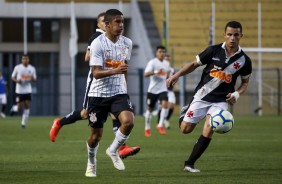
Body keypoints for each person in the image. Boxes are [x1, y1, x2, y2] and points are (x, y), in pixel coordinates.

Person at [49, 12, 140, 159]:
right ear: (100, 25)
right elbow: (86, 57)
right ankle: (59, 122)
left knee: (116, 111)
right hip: (95, 82)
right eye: (103, 22)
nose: (106, 24)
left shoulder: (122, 42)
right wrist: (105, 57)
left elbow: (124, 65)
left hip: (114, 85)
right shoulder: (96, 38)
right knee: (85, 113)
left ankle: (121, 147)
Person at [166, 21, 252, 173]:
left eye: (236, 35)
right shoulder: (213, 50)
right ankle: (186, 110)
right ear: (224, 35)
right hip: (202, 95)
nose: (232, 38)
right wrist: (176, 75)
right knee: (185, 129)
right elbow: (194, 64)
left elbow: (245, 83)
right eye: (230, 34)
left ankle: (189, 164)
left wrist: (236, 94)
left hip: (222, 101)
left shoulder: (245, 60)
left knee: (209, 128)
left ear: (241, 36)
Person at [85, 9, 135, 177]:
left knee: (128, 121)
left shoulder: (127, 43)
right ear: (106, 25)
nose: (121, 25)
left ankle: (113, 150)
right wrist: (115, 71)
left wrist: (125, 89)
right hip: (98, 94)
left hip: (118, 92)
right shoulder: (97, 44)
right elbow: (96, 73)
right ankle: (91, 162)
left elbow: (125, 69)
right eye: (117, 22)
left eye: (122, 22)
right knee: (95, 136)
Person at [144, 45, 170, 137]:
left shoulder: (166, 64)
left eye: (163, 52)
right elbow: (146, 74)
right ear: (156, 53)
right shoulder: (152, 62)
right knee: (150, 109)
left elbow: (166, 75)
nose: (162, 53)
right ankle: (147, 127)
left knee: (165, 104)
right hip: (152, 90)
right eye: (160, 52)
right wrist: (155, 72)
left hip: (163, 89)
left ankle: (160, 125)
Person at [11, 54, 37, 128]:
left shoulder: (32, 68)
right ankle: (13, 108)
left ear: (28, 60)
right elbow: (12, 77)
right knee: (19, 107)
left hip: (28, 90)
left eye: (26, 59)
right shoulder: (17, 67)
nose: (25, 60)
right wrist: (17, 81)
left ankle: (23, 124)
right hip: (19, 90)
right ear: (21, 60)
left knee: (27, 105)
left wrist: (32, 79)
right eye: (23, 59)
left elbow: (35, 79)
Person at [157, 53, 176, 129]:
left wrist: (174, 81)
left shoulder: (172, 70)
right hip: (162, 90)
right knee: (162, 106)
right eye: (166, 58)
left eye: (169, 58)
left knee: (172, 105)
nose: (168, 59)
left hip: (170, 90)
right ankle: (159, 122)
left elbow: (175, 79)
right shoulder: (161, 68)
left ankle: (165, 120)